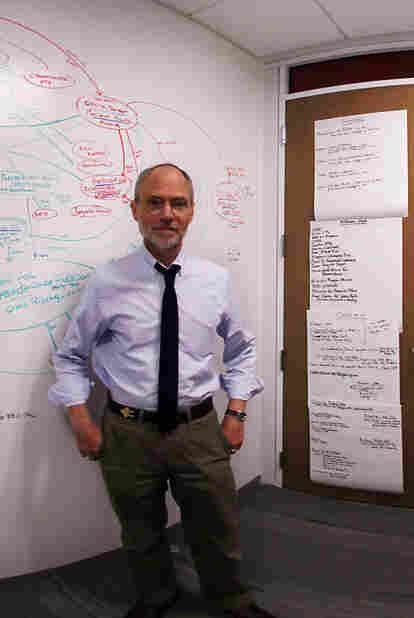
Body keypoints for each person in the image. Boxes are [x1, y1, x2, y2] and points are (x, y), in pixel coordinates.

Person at [49, 163, 274, 618]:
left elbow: (242, 348)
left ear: (192, 212)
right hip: (128, 432)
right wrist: (79, 419)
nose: (167, 213)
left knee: (216, 523)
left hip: (198, 430)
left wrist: (237, 412)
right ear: (135, 210)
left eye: (178, 203)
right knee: (140, 529)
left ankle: (229, 600)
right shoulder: (107, 282)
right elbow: (71, 355)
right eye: (154, 202)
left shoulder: (214, 280)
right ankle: (155, 598)